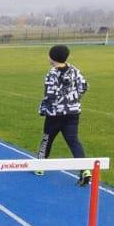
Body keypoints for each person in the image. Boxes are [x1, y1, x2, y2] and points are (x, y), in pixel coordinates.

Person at [36, 44, 91, 186]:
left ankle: (40, 166)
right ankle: (84, 169)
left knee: (47, 139)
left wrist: (43, 108)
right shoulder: (74, 70)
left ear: (52, 57)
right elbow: (84, 86)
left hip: (55, 114)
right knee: (73, 141)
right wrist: (74, 99)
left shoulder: (52, 74)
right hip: (73, 113)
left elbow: (50, 95)